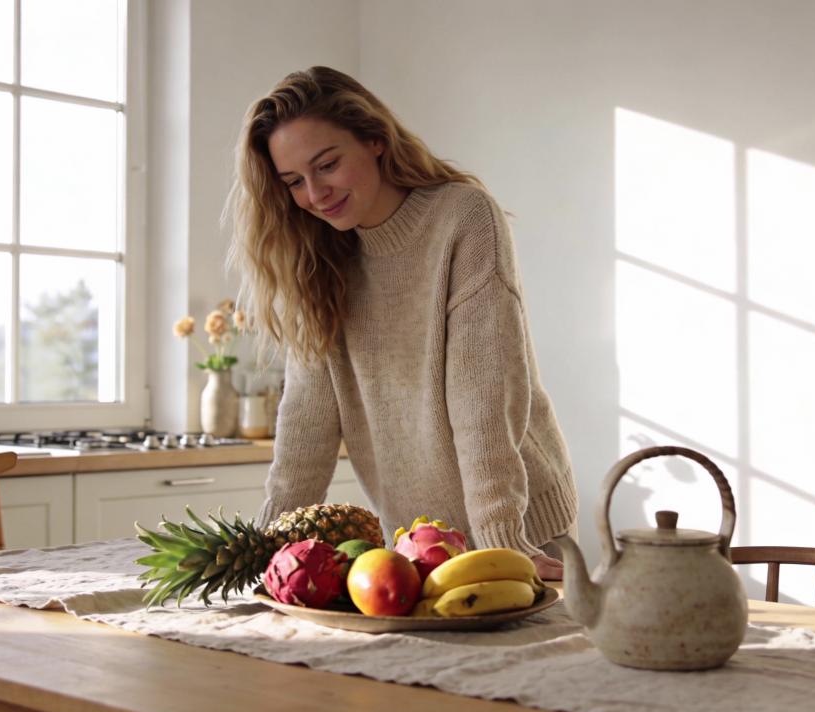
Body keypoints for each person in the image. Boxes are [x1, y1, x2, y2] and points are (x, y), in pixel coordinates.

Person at [228, 66, 576, 579]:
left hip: (520, 526)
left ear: (374, 139)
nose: (316, 193)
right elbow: (307, 421)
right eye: (294, 182)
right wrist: (268, 554)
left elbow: (483, 396)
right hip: (419, 540)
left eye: (326, 165)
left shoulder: (462, 218)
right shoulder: (321, 260)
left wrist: (505, 538)